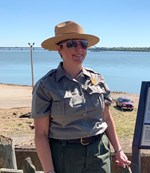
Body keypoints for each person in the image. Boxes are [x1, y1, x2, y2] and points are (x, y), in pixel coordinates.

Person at [31, 21, 131, 173]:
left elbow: (107, 118)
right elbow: (41, 134)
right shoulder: (46, 85)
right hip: (65, 155)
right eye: (71, 44)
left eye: (83, 44)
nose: (79, 49)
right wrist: (49, 171)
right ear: (59, 49)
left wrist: (118, 150)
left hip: (99, 152)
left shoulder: (98, 79)